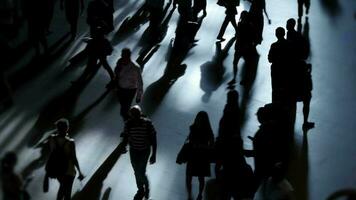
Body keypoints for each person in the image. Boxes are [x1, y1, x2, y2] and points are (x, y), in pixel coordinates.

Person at [119, 105, 157, 200]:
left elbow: (153, 139)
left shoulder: (147, 124)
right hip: (134, 150)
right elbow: (126, 137)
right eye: (133, 115)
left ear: (140, 114)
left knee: (140, 172)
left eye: (137, 114)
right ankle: (141, 189)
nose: (135, 117)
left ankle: (145, 188)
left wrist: (153, 154)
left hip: (144, 151)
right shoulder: (128, 124)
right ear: (131, 115)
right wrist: (124, 146)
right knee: (137, 171)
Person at [44, 118, 84, 200]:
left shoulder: (52, 139)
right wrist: (80, 172)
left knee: (62, 189)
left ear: (57, 128)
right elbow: (74, 158)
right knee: (67, 193)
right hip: (69, 170)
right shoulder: (70, 142)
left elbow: (49, 153)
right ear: (67, 128)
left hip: (58, 170)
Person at [183, 111, 215, 200]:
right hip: (200, 157)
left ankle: (194, 195)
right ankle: (197, 195)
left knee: (192, 177)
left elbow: (212, 145)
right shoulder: (204, 130)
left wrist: (200, 145)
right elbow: (212, 145)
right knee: (198, 177)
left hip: (198, 156)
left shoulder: (195, 128)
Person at [114, 48, 144, 120]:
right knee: (123, 104)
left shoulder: (135, 68)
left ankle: (129, 119)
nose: (122, 57)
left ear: (128, 56)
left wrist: (138, 96)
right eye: (122, 55)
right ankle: (128, 114)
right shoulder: (120, 62)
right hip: (120, 88)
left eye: (123, 55)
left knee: (125, 107)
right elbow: (116, 72)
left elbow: (140, 82)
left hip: (130, 90)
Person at [268, 27, 291, 103]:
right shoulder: (289, 45)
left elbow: (270, 59)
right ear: (284, 34)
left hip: (276, 70)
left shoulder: (274, 46)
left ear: (276, 35)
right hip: (286, 70)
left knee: (275, 89)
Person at [232, 11, 257, 82]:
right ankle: (241, 78)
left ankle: (235, 78)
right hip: (244, 46)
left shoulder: (242, 24)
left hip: (241, 46)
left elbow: (239, 35)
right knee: (243, 63)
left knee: (236, 63)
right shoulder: (249, 25)